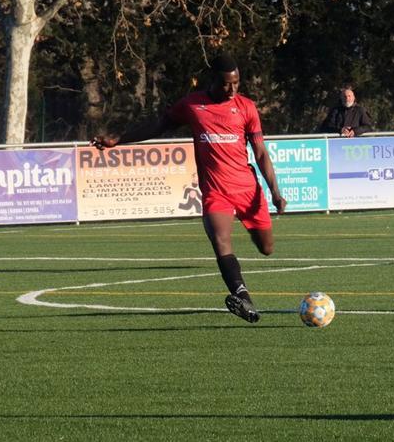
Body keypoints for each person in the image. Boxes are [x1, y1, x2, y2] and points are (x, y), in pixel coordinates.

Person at [91, 53, 286, 323]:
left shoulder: (246, 107)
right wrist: (118, 139)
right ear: (213, 80)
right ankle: (242, 297)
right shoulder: (193, 105)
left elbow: (261, 152)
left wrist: (275, 192)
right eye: (227, 83)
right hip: (215, 191)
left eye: (237, 83)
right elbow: (158, 125)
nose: (232, 89)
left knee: (267, 247)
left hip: (247, 189)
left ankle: (244, 286)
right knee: (221, 240)